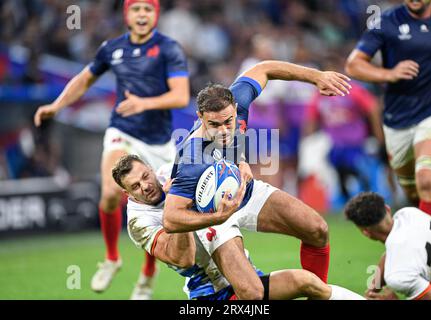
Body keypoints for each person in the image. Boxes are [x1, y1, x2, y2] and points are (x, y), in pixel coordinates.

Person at [33, 0, 190, 299]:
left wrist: (144, 103)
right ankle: (112, 257)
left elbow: (181, 96)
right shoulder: (112, 48)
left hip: (158, 141)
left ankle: (148, 273)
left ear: (154, 14)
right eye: (135, 9)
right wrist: (56, 105)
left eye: (147, 9)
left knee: (158, 209)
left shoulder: (169, 49)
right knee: (109, 193)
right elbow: (84, 79)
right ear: (126, 14)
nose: (141, 14)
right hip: (123, 130)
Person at [163, 60, 352, 298]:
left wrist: (316, 77)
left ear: (235, 107)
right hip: (211, 214)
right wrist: (218, 216)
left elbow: (265, 68)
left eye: (228, 122)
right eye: (214, 124)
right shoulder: (192, 158)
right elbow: (170, 218)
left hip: (245, 190)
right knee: (251, 293)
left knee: (316, 229)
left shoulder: (238, 98)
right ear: (200, 116)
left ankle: (318, 295)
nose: (223, 130)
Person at [113, 154, 364, 300]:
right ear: (127, 193)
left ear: (150, 168)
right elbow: (184, 257)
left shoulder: (174, 171)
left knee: (307, 281)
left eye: (145, 176)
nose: (145, 186)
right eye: (135, 186)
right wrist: (176, 208)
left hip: (246, 275)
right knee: (258, 292)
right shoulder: (138, 221)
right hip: (212, 295)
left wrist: (241, 161)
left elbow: (216, 143)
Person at [345, 0, 431, 222]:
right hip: (398, 119)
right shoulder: (385, 22)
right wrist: (389, 74)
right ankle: (422, 240)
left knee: (427, 179)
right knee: (413, 193)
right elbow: (353, 65)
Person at [345, 191, 431, 300]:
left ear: (365, 232)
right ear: (387, 209)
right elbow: (389, 254)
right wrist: (372, 289)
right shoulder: (409, 213)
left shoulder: (397, 274)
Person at [303, 78, 384, 201]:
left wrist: (379, 135)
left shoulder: (353, 89)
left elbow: (373, 108)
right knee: (340, 178)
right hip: (334, 145)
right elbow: (311, 118)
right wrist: (308, 142)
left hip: (356, 144)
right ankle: (345, 204)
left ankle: (370, 201)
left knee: (361, 175)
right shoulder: (320, 94)